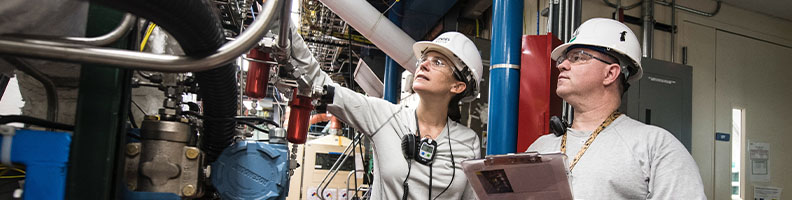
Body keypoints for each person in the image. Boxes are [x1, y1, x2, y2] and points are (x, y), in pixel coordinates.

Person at [289, 31, 483, 199]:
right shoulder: (386, 117)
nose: (423, 65)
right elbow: (320, 83)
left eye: (438, 62)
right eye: (423, 59)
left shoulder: (467, 142)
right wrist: (278, 18)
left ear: (457, 86)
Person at [526, 18, 705, 199]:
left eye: (578, 57)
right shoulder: (540, 148)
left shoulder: (655, 147)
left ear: (610, 73)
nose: (562, 65)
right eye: (564, 59)